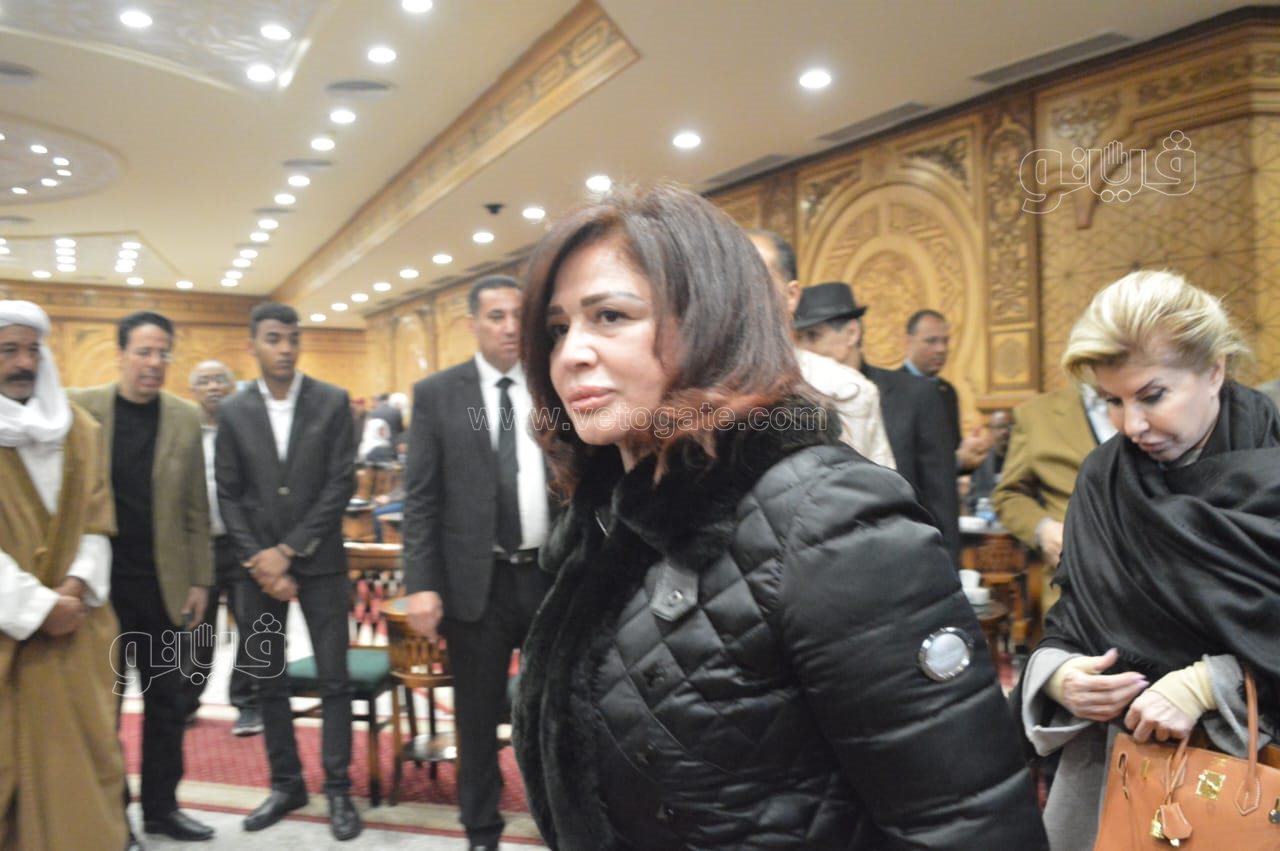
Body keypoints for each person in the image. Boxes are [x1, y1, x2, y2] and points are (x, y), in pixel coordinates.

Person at [512, 184, 1047, 850]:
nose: (571, 352)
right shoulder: (607, 515)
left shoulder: (830, 514)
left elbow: (965, 820)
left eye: (611, 316)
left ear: (711, 322)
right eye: (558, 329)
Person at [1019, 270, 1280, 851]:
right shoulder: (1104, 479)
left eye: (1152, 396)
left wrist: (1211, 683)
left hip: (1252, 769)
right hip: (1117, 768)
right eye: (1111, 401)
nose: (1131, 425)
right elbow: (1072, 620)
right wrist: (1060, 677)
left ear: (1214, 370)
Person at [402, 275, 554, 851]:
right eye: (496, 316)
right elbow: (421, 499)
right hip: (476, 584)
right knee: (476, 716)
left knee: (552, 710)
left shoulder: (553, 385)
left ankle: (558, 816)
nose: (511, 327)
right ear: (472, 324)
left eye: (519, 315)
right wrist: (421, 585)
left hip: (548, 576)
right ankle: (482, 829)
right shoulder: (440, 395)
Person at [214, 303, 361, 841]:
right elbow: (228, 492)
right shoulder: (234, 411)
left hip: (321, 563)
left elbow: (341, 483)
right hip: (257, 572)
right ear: (252, 345)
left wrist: (290, 549)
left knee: (334, 679)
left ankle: (338, 789)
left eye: (292, 338)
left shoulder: (331, 400)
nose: (285, 348)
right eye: (274, 338)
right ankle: (286, 784)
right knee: (267, 679)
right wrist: (261, 559)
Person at [69, 311, 214, 845]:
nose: (154, 363)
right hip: (100, 591)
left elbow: (196, 507)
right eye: (144, 352)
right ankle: (112, 816)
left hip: (161, 586)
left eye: (163, 353)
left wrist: (200, 580)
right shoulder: (82, 408)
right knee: (104, 709)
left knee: (166, 704)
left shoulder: (183, 416)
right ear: (121, 355)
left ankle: (161, 808)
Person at [0, 301, 127, 851]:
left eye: (32, 350)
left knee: (87, 757)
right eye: (9, 350)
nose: (23, 363)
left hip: (78, 629)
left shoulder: (80, 430)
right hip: (8, 633)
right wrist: (36, 608)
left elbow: (98, 521)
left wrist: (72, 592)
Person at [745, 233, 895, 469]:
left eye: (755, 280)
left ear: (791, 295)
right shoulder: (696, 385)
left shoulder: (844, 390)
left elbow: (866, 485)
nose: (741, 293)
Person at [182, 360, 262, 737]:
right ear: (192, 390)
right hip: (199, 546)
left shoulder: (248, 431)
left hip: (243, 543)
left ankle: (247, 703)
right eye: (204, 381)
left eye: (220, 380)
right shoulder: (182, 433)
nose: (213, 386)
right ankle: (186, 701)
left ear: (232, 388)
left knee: (251, 623)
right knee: (197, 628)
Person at [992, 384, 1116, 614]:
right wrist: (1043, 529)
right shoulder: (1037, 414)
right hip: (1076, 590)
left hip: (1161, 588)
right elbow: (1008, 495)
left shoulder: (1160, 399)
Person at [901, 309, 989, 472]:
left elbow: (951, 450)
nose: (941, 349)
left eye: (945, 341)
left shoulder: (947, 391)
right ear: (908, 342)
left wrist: (967, 452)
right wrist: (956, 461)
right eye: (931, 341)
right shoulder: (892, 390)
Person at [966, 409, 1012, 513]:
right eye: (999, 427)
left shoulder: (1022, 461)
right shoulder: (980, 462)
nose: (1005, 431)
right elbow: (972, 500)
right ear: (991, 432)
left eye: (1008, 427)